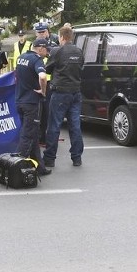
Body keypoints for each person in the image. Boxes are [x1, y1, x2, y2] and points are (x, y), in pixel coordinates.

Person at [43, 26, 85, 167]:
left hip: (60, 92)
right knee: (75, 125)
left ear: (61, 37)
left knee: (54, 126)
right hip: (75, 92)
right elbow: (81, 68)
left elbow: (47, 68)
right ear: (71, 37)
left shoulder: (57, 51)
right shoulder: (79, 51)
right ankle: (77, 157)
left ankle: (49, 158)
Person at [15, 37, 52, 176]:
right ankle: (17, 166)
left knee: (33, 134)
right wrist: (43, 91)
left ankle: (40, 167)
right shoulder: (37, 59)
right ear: (40, 48)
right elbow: (42, 76)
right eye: (46, 49)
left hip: (19, 101)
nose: (47, 52)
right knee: (27, 135)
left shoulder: (21, 57)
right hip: (31, 103)